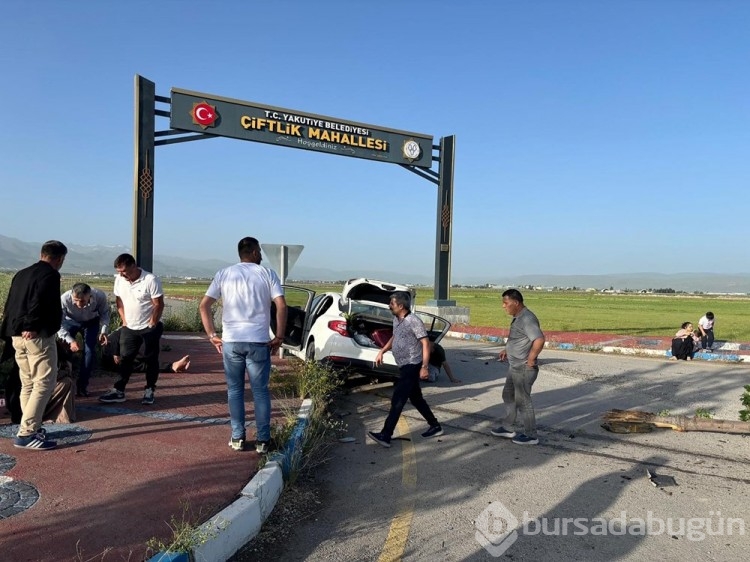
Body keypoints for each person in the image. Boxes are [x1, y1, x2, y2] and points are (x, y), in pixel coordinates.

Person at [199, 237, 287, 454]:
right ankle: (263, 441)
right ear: (255, 252)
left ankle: (238, 437)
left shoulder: (224, 274)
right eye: (260, 252)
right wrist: (279, 336)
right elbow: (281, 305)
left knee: (235, 391)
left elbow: (204, 306)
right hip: (258, 341)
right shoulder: (267, 274)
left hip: (231, 342)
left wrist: (212, 334)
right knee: (260, 392)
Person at [0, 240, 68, 450]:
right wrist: (32, 325)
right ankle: (28, 432)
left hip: (16, 335)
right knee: (44, 383)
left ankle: (30, 425)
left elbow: (11, 303)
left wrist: (12, 330)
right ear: (59, 259)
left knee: (28, 382)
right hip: (36, 336)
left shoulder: (21, 273)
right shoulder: (50, 274)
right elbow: (39, 301)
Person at [367, 291, 443, 448]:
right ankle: (435, 426)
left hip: (412, 364)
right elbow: (395, 337)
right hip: (403, 365)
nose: (389, 306)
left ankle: (386, 435)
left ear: (401, 306)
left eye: (392, 304)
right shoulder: (397, 319)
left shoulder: (413, 321)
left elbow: (425, 344)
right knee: (416, 398)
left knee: (398, 399)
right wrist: (382, 351)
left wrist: (424, 366)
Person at [99, 253, 164, 405]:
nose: (121, 275)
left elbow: (158, 304)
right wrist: (124, 320)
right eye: (118, 272)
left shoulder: (150, 280)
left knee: (151, 359)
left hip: (149, 328)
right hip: (129, 327)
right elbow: (119, 300)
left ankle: (149, 389)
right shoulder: (119, 280)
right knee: (125, 358)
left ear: (133, 266)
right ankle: (119, 390)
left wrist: (153, 322)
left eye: (123, 271)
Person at [491, 288, 545, 446]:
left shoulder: (527, 318)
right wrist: (507, 349)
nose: (503, 306)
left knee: (523, 401)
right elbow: (519, 338)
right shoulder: (518, 317)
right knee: (508, 395)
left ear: (516, 302)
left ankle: (531, 435)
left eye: (505, 303)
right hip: (514, 366)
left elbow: (539, 340)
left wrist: (531, 359)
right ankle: (508, 427)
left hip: (523, 367)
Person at [58, 282, 111, 397]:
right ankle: (64, 384)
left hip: (91, 322)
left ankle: (82, 386)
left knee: (89, 352)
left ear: (90, 296)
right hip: (70, 321)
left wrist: (103, 331)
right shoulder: (64, 299)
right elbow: (58, 323)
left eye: (82, 301)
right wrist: (70, 340)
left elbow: (105, 314)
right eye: (75, 300)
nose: (78, 304)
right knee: (64, 351)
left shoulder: (99, 296)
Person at [101, 328, 190, 374]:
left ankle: (173, 367)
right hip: (111, 357)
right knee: (143, 364)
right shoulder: (129, 328)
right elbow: (113, 339)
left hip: (117, 357)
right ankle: (172, 367)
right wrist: (115, 353)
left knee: (143, 364)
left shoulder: (135, 330)